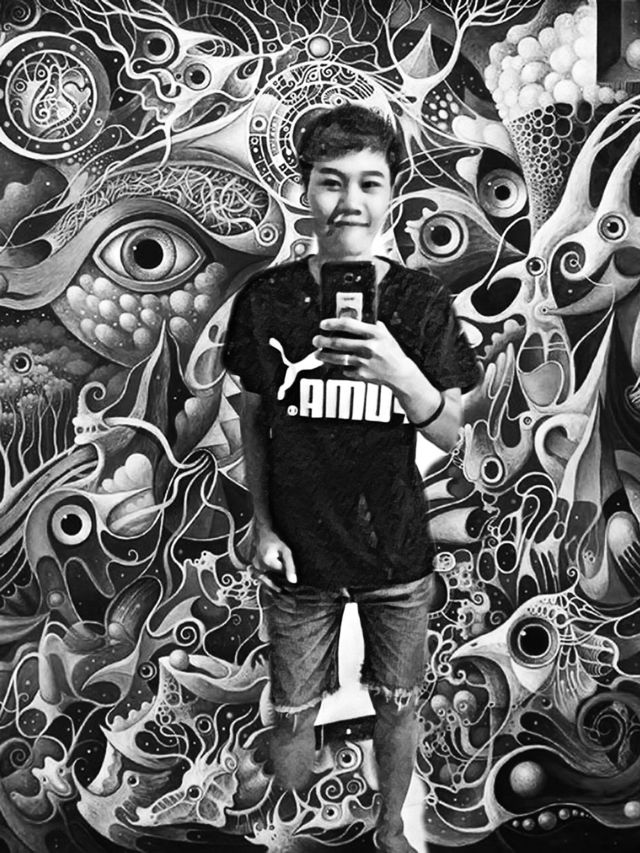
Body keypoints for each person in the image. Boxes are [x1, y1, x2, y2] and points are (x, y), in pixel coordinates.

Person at [223, 104, 479, 853]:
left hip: (395, 549)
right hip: (297, 552)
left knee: (398, 705)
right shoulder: (267, 299)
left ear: (391, 195)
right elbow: (253, 420)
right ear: (304, 190)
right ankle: (294, 834)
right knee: (291, 713)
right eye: (331, 182)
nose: (349, 201)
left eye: (369, 183)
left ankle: (390, 835)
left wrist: (398, 370)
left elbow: (453, 433)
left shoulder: (420, 301)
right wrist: (261, 525)